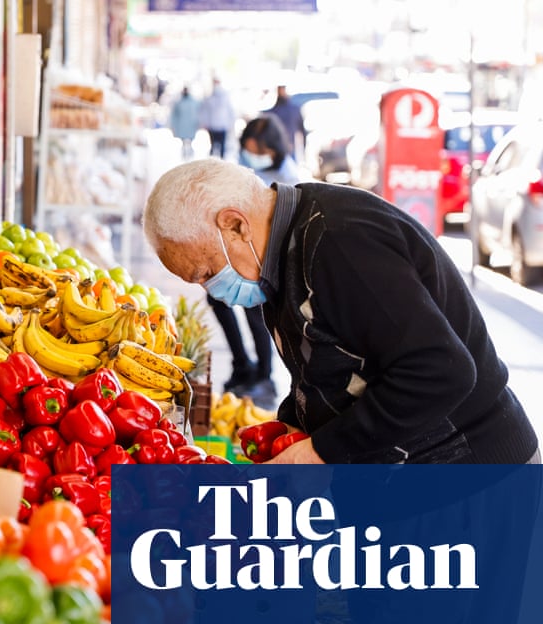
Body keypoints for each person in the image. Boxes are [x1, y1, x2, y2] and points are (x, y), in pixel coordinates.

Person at [143, 158, 538, 465]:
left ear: (234, 225)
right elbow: (336, 358)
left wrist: (322, 451)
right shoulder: (281, 253)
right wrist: (293, 424)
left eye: (207, 272)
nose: (212, 290)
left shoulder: (340, 244)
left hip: (474, 474)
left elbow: (440, 370)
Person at [208, 115, 303, 401]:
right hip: (237, 251)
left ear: (272, 149)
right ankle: (242, 364)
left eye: (259, 151)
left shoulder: (289, 176)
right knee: (217, 299)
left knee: (257, 313)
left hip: (266, 260)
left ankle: (264, 375)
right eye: (250, 150)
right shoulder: (244, 165)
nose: (254, 156)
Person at [264, 85, 305, 161]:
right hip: (276, 151)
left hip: (289, 149)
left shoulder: (294, 109)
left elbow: (302, 131)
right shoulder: (270, 111)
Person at [198, 78, 234, 158]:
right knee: (213, 145)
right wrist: (204, 123)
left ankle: (221, 163)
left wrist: (230, 123)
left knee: (221, 146)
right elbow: (204, 112)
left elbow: (230, 112)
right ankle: (213, 163)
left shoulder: (225, 97)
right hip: (213, 126)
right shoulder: (209, 98)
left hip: (222, 126)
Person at [168, 88, 200, 160]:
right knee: (183, 139)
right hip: (182, 125)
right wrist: (173, 125)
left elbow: (199, 113)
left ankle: (190, 152)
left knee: (190, 138)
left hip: (191, 124)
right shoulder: (178, 103)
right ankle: (184, 153)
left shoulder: (194, 102)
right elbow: (174, 115)